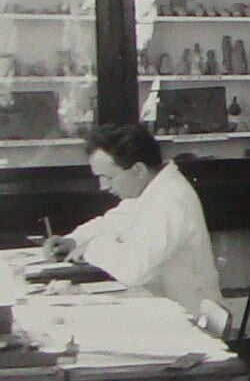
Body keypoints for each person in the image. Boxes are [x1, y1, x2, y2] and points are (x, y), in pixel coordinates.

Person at [42, 124, 224, 314]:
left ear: (138, 170)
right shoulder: (151, 189)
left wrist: (90, 247)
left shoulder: (169, 199)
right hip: (166, 308)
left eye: (108, 177)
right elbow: (111, 223)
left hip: (191, 319)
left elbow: (133, 269)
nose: (103, 186)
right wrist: (73, 240)